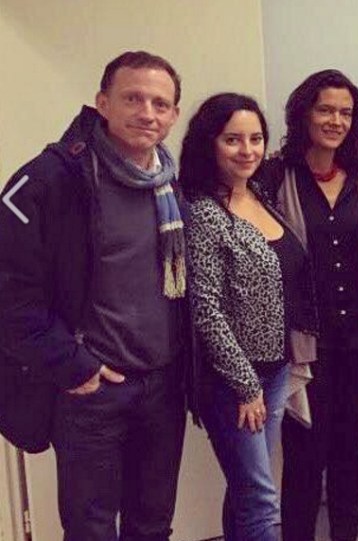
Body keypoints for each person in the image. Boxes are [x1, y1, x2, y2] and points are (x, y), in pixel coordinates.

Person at [0, 51, 188, 541]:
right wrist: (71, 363)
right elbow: (9, 293)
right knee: (91, 530)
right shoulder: (50, 180)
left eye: (160, 103)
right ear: (102, 102)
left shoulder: (170, 186)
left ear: (174, 115)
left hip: (162, 388)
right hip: (92, 392)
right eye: (133, 98)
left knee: (152, 525)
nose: (147, 112)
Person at [256, 69, 358, 541]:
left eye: (346, 112)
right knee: (306, 452)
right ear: (304, 113)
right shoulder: (272, 176)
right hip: (304, 343)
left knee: (352, 450)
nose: (336, 120)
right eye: (325, 109)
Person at [182, 93, 310, 541]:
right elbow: (205, 309)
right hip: (234, 381)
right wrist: (245, 384)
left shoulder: (255, 193)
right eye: (233, 139)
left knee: (245, 488)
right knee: (259, 498)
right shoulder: (204, 212)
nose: (248, 149)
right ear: (209, 144)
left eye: (256, 138)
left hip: (273, 369)